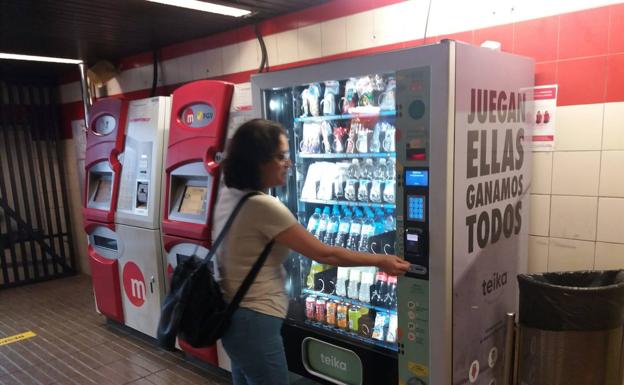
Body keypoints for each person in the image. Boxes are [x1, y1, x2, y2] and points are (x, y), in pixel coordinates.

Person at [213, 119, 410, 385]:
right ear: (258, 161)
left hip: (232, 315)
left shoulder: (229, 193)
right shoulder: (263, 207)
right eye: (281, 156)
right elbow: (325, 255)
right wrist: (380, 260)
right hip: (255, 322)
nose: (289, 163)